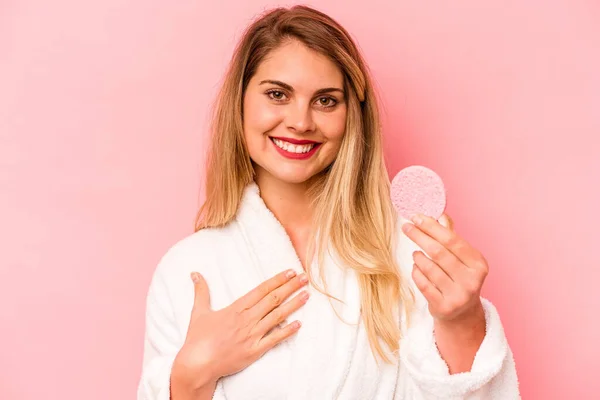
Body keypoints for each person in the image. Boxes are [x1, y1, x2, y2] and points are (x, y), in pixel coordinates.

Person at [137, 5, 520, 400]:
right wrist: (189, 376)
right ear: (240, 103)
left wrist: (462, 320)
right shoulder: (186, 269)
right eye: (277, 94)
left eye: (325, 101)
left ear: (351, 116)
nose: (300, 122)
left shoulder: (411, 254)